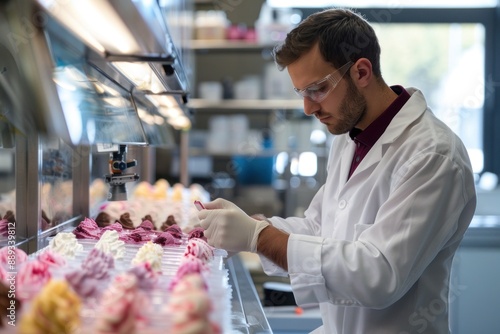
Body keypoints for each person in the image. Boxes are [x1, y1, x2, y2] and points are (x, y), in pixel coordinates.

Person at [198, 8, 476, 334]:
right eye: (301, 93)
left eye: (317, 89)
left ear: (361, 72)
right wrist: (250, 226)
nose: (308, 108)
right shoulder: (350, 137)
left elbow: (378, 275)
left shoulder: (433, 156)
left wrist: (258, 238)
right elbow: (320, 227)